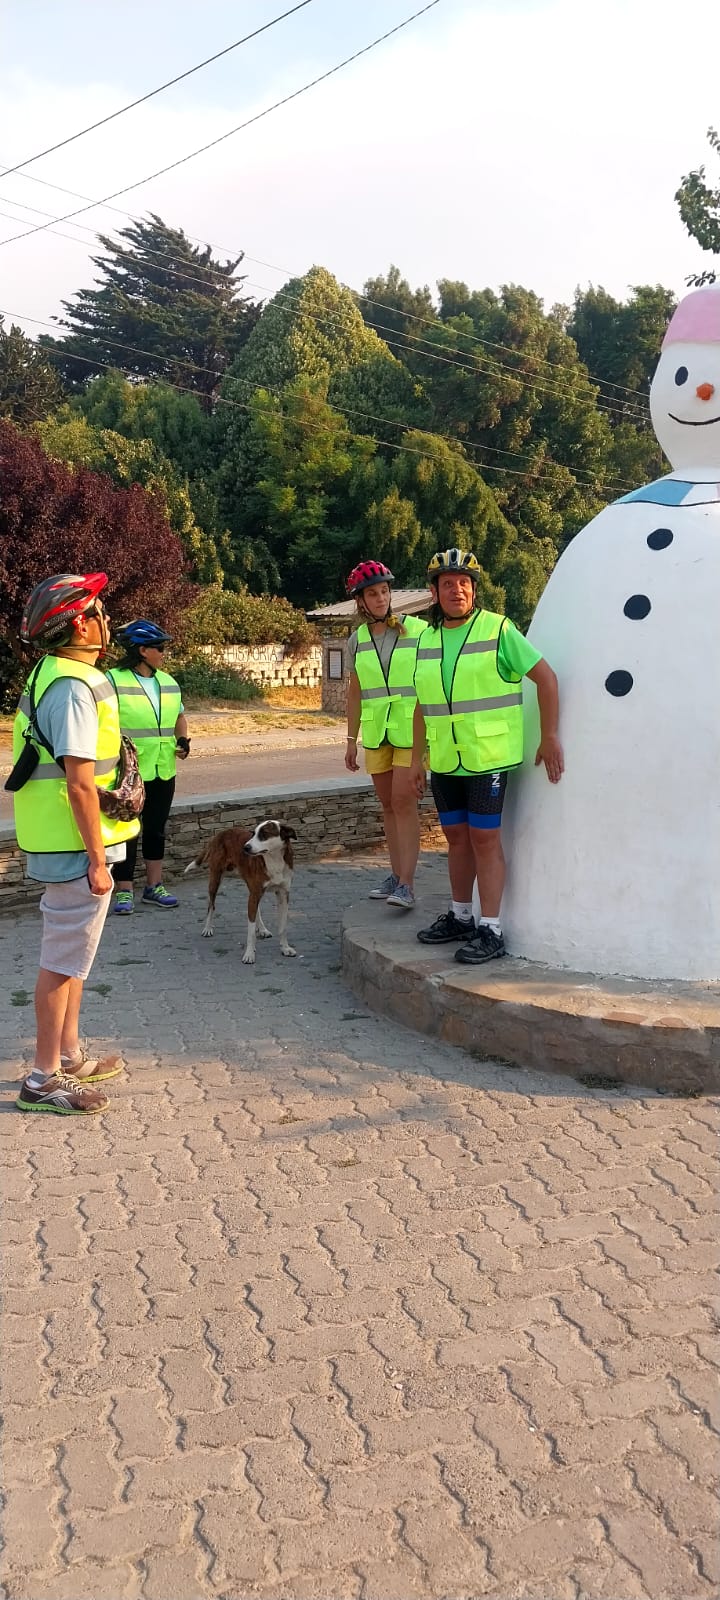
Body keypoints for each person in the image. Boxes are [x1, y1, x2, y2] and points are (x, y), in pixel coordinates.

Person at [11, 573, 140, 1115]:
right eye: (100, 609)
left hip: (72, 843)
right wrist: (96, 861)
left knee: (75, 958)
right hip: (73, 848)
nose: (107, 618)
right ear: (80, 623)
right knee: (62, 961)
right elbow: (80, 782)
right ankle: (42, 1079)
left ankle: (68, 1054)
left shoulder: (62, 674)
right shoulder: (71, 687)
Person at [410, 547, 563, 964]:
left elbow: (546, 678)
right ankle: (460, 915)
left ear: (474, 589)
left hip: (488, 758)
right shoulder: (426, 640)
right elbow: (422, 705)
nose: (456, 590)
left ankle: (490, 928)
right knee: (455, 839)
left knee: (484, 839)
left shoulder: (498, 630)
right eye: (447, 584)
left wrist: (549, 735)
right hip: (444, 760)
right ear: (434, 592)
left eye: (463, 583)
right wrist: (414, 760)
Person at [344, 560, 427, 910]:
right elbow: (354, 692)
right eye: (372, 594)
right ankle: (396, 875)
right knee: (389, 806)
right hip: (378, 733)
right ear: (361, 601)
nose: (380, 598)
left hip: (410, 730)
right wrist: (350, 739)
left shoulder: (418, 630)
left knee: (405, 803)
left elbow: (429, 684)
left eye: (384, 591)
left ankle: (407, 883)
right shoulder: (356, 641)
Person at [107, 620, 189, 914]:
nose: (164, 653)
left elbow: (180, 717)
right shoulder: (112, 680)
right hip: (128, 771)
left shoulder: (168, 682)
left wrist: (183, 740)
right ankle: (124, 891)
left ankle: (154, 887)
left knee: (155, 830)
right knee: (128, 830)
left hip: (163, 767)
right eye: (160, 648)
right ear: (143, 651)